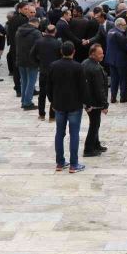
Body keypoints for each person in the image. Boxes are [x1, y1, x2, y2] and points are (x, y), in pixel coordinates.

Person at [48, 41, 87, 173]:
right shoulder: (78, 67)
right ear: (74, 52)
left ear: (61, 52)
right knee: (74, 134)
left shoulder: (53, 65)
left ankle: (60, 163)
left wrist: (52, 102)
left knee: (59, 133)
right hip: (74, 105)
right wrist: (85, 102)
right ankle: (73, 164)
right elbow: (83, 87)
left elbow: (49, 86)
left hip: (59, 104)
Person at [82, 43, 109, 157]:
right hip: (94, 102)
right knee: (95, 124)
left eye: (102, 53)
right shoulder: (95, 68)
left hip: (88, 100)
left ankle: (96, 144)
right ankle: (88, 149)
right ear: (93, 54)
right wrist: (105, 105)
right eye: (100, 53)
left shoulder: (84, 63)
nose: (102, 55)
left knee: (95, 123)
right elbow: (99, 88)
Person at [30, 24, 61, 121]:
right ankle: (52, 116)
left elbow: (31, 55)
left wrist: (38, 64)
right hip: (54, 71)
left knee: (42, 93)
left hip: (43, 70)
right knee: (54, 93)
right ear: (55, 32)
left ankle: (41, 114)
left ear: (46, 31)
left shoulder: (39, 42)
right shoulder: (58, 43)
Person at [15, 17, 41, 109]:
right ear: (36, 23)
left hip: (20, 60)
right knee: (31, 82)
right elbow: (39, 47)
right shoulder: (36, 33)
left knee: (24, 81)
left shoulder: (19, 31)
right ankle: (27, 102)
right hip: (32, 61)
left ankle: (24, 101)